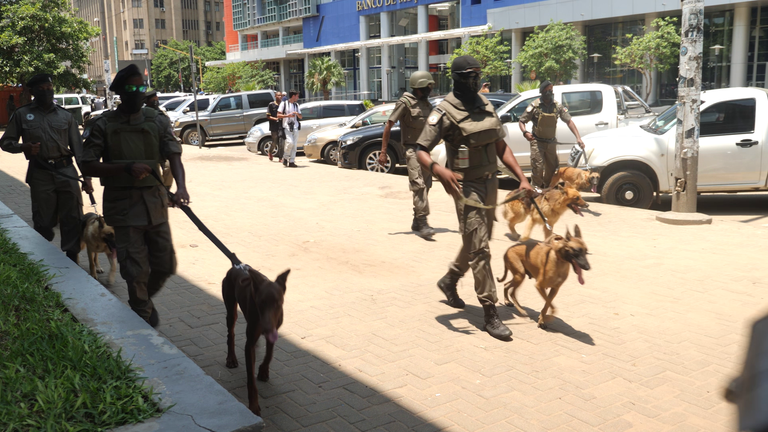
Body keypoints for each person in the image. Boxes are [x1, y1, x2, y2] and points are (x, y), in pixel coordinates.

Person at [415, 55, 533, 340]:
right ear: (456, 78)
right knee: (480, 248)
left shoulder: (486, 104)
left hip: (490, 183)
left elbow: (499, 144)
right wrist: (439, 170)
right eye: (469, 75)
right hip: (465, 188)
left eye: (478, 75)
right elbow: (419, 149)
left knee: (474, 240)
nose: (475, 80)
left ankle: (450, 278)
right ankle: (489, 312)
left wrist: (522, 178)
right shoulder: (443, 112)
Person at [81, 64, 190, 328]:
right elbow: (87, 164)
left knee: (165, 264)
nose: (138, 93)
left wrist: (182, 188)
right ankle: (141, 314)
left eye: (142, 87)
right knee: (135, 268)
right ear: (119, 92)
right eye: (132, 88)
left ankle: (141, 302)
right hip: (123, 205)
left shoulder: (157, 120)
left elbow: (174, 153)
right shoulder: (103, 124)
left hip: (155, 201)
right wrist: (125, 168)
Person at [0, 74, 94, 263]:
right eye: (41, 89)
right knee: (43, 222)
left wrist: (87, 179)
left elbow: (79, 150)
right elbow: (5, 143)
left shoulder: (65, 115)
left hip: (67, 172)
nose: (46, 91)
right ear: (32, 92)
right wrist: (23, 147)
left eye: (49, 87)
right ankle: (45, 261)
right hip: (40, 173)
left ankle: (72, 259)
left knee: (73, 218)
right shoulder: (21, 114)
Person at [378, 71, 436, 239]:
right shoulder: (405, 103)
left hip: (425, 151)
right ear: (420, 87)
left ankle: (417, 219)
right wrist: (383, 152)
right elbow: (388, 125)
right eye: (428, 86)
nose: (431, 89)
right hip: (411, 151)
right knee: (418, 185)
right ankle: (423, 222)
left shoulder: (427, 104)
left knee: (427, 185)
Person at [519, 80, 584, 189]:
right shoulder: (535, 105)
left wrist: (578, 138)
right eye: (547, 90)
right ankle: (536, 189)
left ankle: (546, 188)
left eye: (551, 90)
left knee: (552, 168)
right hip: (537, 141)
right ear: (542, 91)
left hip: (551, 142)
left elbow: (569, 121)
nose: (550, 92)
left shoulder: (557, 106)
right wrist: (525, 133)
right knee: (538, 167)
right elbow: (522, 121)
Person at [144, 89, 174, 188]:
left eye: (156, 99)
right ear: (147, 101)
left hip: (163, 148)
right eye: (153, 100)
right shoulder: (143, 114)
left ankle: (166, 189)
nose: (156, 101)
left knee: (169, 167)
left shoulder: (161, 113)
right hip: (149, 149)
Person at [277, 90, 302, 168]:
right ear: (293, 96)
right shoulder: (284, 104)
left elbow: (301, 117)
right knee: (289, 142)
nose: (298, 98)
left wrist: (297, 114)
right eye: (297, 96)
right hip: (287, 126)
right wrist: (287, 116)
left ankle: (292, 161)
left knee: (294, 145)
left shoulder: (296, 105)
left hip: (295, 126)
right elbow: (278, 115)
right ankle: (285, 157)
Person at [266, 92, 284, 162]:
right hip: (274, 126)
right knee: (275, 142)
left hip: (281, 125)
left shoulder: (283, 104)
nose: (280, 97)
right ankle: (270, 152)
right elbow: (268, 116)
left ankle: (280, 158)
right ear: (275, 96)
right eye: (278, 95)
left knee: (281, 142)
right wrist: (275, 118)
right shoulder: (271, 104)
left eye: (281, 95)